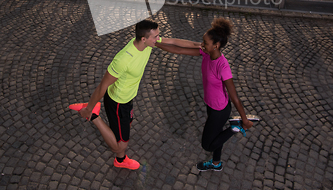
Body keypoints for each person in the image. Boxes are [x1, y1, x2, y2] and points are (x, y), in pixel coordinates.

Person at [70, 19, 201, 170]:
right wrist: (89, 107)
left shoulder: (147, 43)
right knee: (120, 146)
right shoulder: (123, 59)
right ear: (144, 39)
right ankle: (94, 116)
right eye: (155, 36)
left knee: (126, 125)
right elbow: (103, 86)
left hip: (128, 99)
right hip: (117, 102)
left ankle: (120, 155)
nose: (158, 38)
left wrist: (198, 46)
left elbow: (173, 43)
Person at [159, 17, 253, 171]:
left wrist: (244, 120)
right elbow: (180, 49)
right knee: (216, 137)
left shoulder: (223, 67)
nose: (202, 45)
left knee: (207, 144)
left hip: (220, 110)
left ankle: (235, 128)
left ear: (216, 46)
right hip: (211, 104)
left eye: (205, 43)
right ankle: (216, 164)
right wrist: (156, 44)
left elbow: (234, 96)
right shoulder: (206, 53)